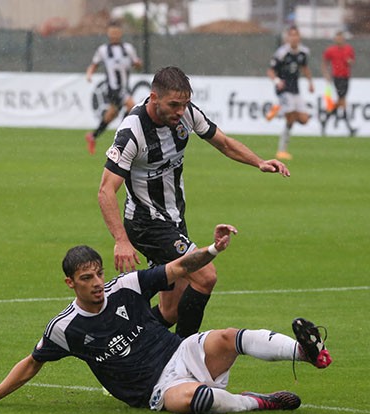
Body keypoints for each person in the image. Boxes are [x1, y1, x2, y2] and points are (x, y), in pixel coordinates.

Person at [0, 224, 332, 414]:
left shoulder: (126, 286)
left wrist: (213, 248)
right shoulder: (65, 329)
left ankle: (305, 351)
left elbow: (182, 266)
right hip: (156, 390)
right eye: (87, 279)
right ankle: (259, 402)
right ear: (70, 283)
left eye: (99, 274)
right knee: (198, 400)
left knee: (228, 336)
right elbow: (32, 363)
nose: (97, 283)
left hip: (183, 353)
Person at [98, 66, 290, 340]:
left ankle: (121, 350)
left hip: (174, 219)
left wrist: (258, 161)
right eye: (174, 104)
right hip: (146, 223)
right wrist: (121, 240)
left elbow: (222, 142)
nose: (180, 111)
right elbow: (106, 190)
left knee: (170, 311)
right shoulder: (132, 133)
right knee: (205, 277)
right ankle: (185, 360)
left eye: (184, 104)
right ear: (154, 98)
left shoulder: (186, 114)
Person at [85, 20, 142, 155]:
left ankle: (93, 136)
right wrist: (89, 74)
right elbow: (94, 64)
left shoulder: (128, 48)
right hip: (112, 88)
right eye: (112, 32)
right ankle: (123, 135)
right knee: (131, 106)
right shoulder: (103, 50)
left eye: (116, 32)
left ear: (120, 33)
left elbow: (137, 65)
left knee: (111, 115)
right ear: (108, 33)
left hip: (124, 87)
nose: (114, 35)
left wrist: (139, 64)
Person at [266, 25, 314, 161]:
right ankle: (281, 151)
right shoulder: (281, 53)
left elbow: (304, 67)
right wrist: (277, 81)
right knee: (291, 119)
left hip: (296, 89)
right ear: (287, 37)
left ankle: (278, 111)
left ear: (299, 37)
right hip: (283, 89)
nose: (294, 38)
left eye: (296, 35)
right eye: (291, 35)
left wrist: (310, 82)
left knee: (304, 120)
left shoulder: (304, 52)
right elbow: (270, 71)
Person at [320, 31, 356, 136]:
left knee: (341, 102)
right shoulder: (331, 50)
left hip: (346, 78)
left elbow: (352, 61)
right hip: (337, 78)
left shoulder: (349, 49)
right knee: (342, 101)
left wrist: (349, 62)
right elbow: (324, 63)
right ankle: (349, 128)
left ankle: (325, 119)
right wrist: (326, 75)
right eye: (337, 38)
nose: (339, 40)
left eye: (340, 38)